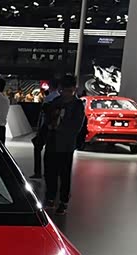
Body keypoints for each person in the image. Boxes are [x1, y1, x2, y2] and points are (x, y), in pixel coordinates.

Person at [41, 74, 86, 215]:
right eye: (64, 90)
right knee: (50, 172)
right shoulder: (56, 102)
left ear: (74, 89)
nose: (66, 93)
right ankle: (50, 198)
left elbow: (76, 126)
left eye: (69, 90)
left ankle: (63, 201)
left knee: (64, 174)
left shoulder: (77, 105)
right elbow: (47, 119)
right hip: (52, 142)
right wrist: (50, 124)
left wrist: (58, 128)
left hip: (66, 145)